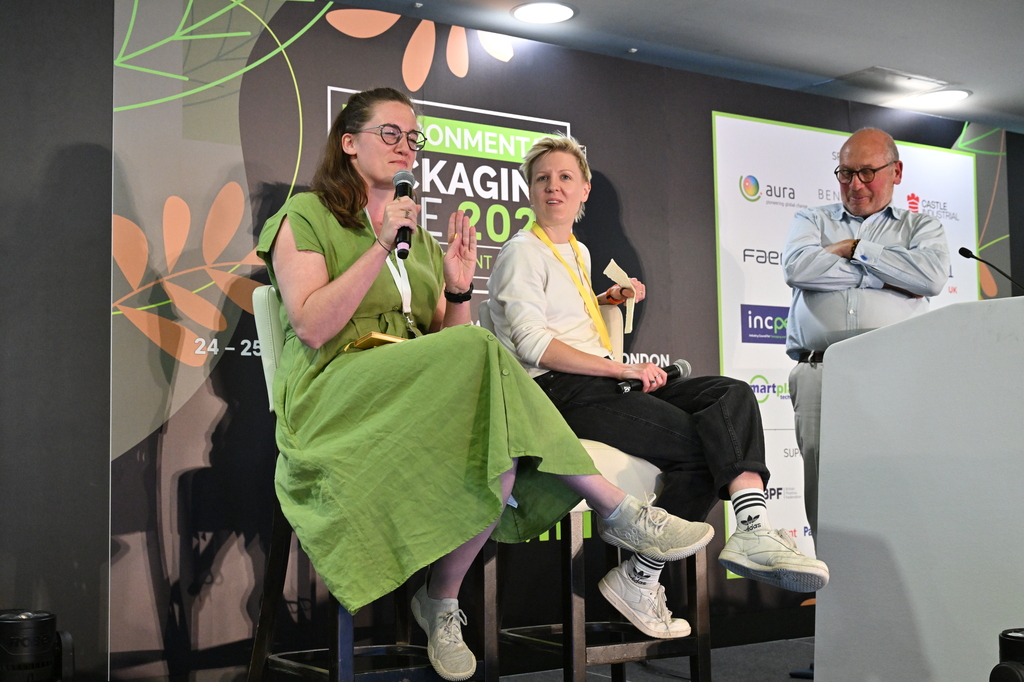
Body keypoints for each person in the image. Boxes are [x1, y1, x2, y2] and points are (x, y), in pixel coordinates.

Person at [256, 88, 714, 681]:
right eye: (389, 133)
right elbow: (312, 326)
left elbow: (446, 344)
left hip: (408, 394)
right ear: (348, 143)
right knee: (485, 356)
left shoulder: (419, 239)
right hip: (334, 393)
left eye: (412, 137)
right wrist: (379, 244)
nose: (405, 146)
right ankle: (616, 507)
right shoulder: (306, 217)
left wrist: (456, 290)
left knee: (491, 440)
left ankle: (440, 602)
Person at [486, 135, 829, 641]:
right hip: (558, 394)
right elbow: (534, 345)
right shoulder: (522, 252)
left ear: (584, 190)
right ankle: (654, 572)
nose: (553, 187)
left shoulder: (577, 251)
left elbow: (560, 316)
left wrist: (602, 300)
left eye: (564, 178)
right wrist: (622, 371)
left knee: (730, 395)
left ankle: (743, 530)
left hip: (599, 385)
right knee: (706, 444)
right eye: (542, 179)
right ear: (529, 191)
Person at [782, 128, 949, 541]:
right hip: (820, 372)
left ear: (896, 172)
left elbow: (929, 278)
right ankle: (833, 577)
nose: (855, 184)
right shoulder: (811, 220)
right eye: (846, 173)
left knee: (897, 480)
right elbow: (799, 269)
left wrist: (855, 248)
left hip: (897, 374)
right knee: (823, 485)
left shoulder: (922, 227)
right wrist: (890, 275)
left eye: (867, 173)